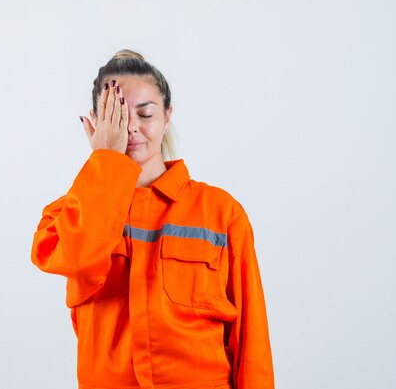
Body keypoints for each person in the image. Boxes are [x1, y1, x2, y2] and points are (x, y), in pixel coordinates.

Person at [31, 49, 274, 389]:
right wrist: (106, 161)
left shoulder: (221, 212)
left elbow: (251, 339)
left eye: (145, 113)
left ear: (168, 115)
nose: (131, 127)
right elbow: (76, 256)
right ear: (96, 123)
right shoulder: (69, 212)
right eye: (116, 116)